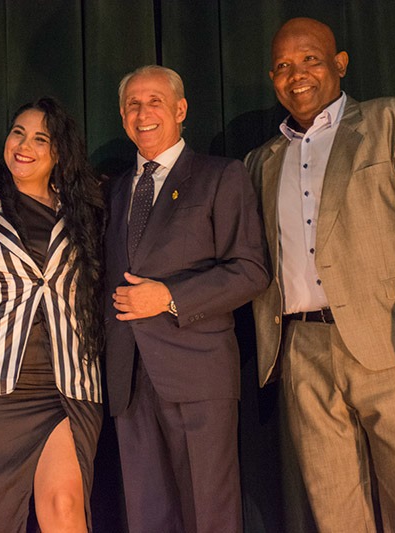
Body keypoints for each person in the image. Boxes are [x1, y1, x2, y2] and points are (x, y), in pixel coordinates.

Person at [245, 17, 395, 532]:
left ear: (340, 64)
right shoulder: (262, 160)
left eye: (310, 60)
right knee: (334, 510)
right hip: (300, 348)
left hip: (392, 337)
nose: (295, 74)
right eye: (281, 66)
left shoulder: (394, 119)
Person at [104, 65, 269, 532]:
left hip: (198, 376)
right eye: (133, 104)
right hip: (129, 380)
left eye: (155, 101)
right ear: (122, 118)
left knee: (209, 514)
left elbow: (251, 270)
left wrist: (169, 297)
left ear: (180, 110)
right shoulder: (115, 190)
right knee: (147, 516)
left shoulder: (221, 176)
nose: (143, 112)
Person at [0, 96, 105, 531]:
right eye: (18, 133)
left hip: (68, 384)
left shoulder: (87, 212)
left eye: (40, 138)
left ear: (59, 153)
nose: (24, 145)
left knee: (65, 507)